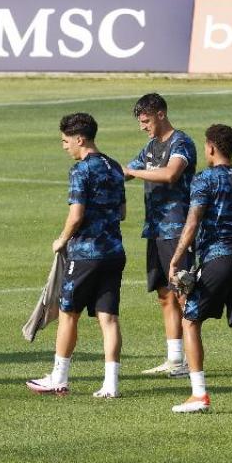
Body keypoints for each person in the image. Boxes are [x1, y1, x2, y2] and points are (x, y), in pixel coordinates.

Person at [168, 124, 232, 415]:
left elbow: (192, 224)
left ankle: (199, 394)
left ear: (211, 147)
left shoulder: (205, 179)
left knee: (190, 320)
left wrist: (176, 260)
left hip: (217, 257)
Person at [27, 113, 127, 398]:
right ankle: (111, 384)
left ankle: (58, 377)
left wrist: (61, 240)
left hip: (85, 254)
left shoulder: (81, 171)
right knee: (108, 318)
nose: (64, 146)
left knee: (68, 313)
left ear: (79, 139)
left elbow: (76, 215)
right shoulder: (114, 167)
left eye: (65, 140)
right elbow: (122, 212)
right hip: (114, 252)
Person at [123, 93, 196, 377]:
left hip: (177, 229)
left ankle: (191, 360)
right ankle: (175, 359)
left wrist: (134, 172)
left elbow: (170, 174)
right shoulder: (151, 147)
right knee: (164, 295)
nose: (143, 126)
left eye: (146, 120)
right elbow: (128, 171)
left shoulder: (181, 143)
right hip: (154, 229)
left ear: (161, 114)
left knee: (183, 294)